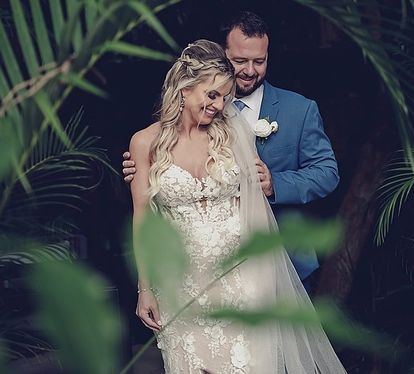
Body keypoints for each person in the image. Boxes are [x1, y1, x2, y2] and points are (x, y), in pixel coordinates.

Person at [128, 39, 345, 373]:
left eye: (225, 98)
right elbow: (142, 222)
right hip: (180, 285)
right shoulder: (145, 143)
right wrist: (145, 289)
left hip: (240, 279)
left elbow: (253, 207)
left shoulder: (231, 134)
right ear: (185, 88)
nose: (219, 105)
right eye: (212, 94)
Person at [125, 11, 340, 285]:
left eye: (259, 61)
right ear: (223, 56)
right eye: (240, 61)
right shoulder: (202, 110)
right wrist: (143, 166)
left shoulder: (300, 110)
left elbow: (327, 173)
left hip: (287, 256)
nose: (250, 71)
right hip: (202, 268)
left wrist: (276, 184)